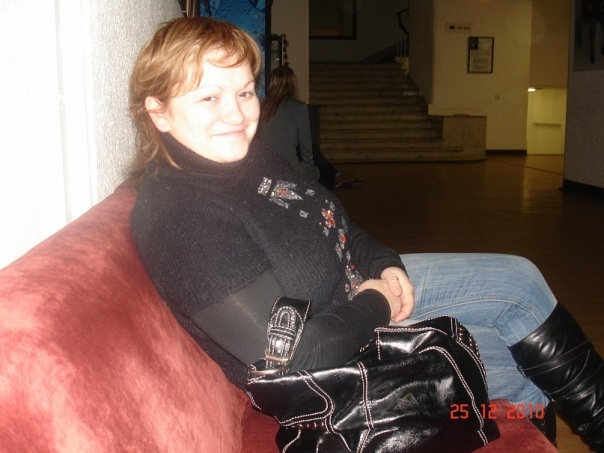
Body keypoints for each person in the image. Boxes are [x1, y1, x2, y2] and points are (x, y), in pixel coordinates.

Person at [128, 16, 603, 451]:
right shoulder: (182, 218)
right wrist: (377, 301)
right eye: (209, 97)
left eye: (245, 93)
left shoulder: (248, 157)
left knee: (518, 280)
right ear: (159, 111)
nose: (236, 115)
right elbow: (292, 360)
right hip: (336, 357)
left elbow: (329, 218)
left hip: (357, 286)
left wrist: (383, 262)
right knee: (518, 365)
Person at [255, 65, 322, 182]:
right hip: (289, 169)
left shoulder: (261, 106)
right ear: (293, 84)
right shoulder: (299, 108)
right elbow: (306, 147)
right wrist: (309, 167)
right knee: (317, 171)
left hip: (264, 168)